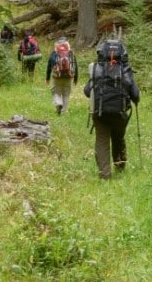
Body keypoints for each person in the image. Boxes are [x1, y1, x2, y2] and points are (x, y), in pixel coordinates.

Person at [83, 37, 139, 178]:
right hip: (119, 113)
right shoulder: (125, 70)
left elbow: (87, 91)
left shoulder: (97, 68)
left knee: (102, 140)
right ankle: (120, 166)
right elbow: (135, 94)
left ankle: (105, 174)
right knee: (118, 138)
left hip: (100, 112)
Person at [44, 37, 78, 115]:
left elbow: (49, 65)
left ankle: (58, 103)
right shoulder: (70, 52)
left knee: (56, 92)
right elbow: (75, 65)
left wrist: (47, 78)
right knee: (66, 94)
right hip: (69, 77)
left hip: (57, 77)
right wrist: (76, 78)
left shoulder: (54, 52)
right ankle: (63, 112)